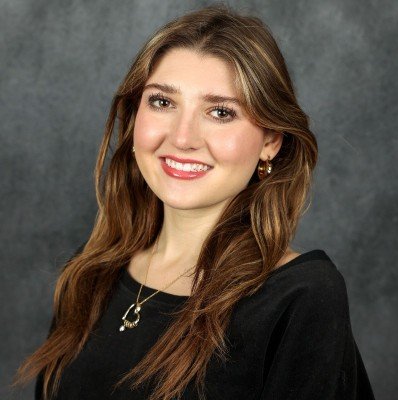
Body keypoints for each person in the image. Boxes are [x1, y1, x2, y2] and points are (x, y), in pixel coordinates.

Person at [12, 4, 375, 400]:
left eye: (220, 112)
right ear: (134, 118)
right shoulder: (91, 272)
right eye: (162, 102)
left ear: (270, 141)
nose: (182, 138)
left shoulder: (302, 297)